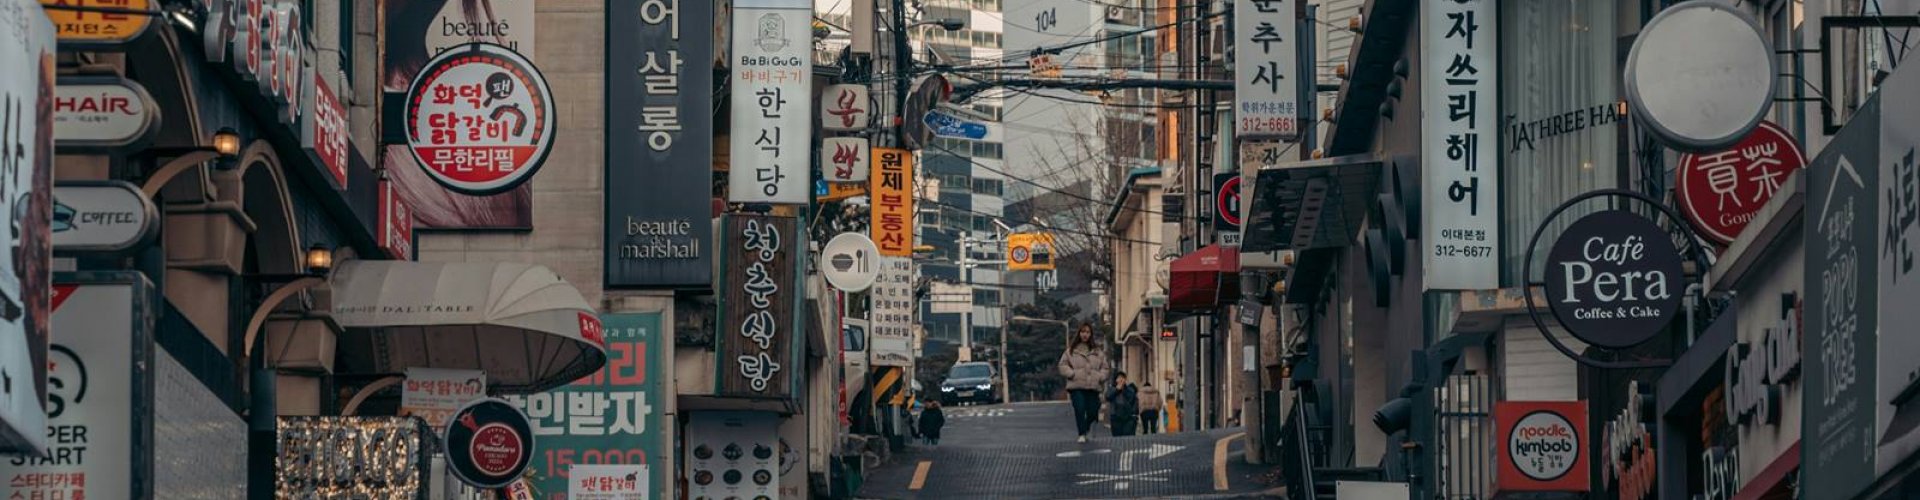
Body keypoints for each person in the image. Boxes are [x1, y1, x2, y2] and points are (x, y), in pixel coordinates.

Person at [1058, 323, 1110, 443]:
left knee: (1093, 411)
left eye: (1087, 332)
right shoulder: (1071, 351)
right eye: (1082, 332)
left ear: (1090, 334)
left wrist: (1100, 377)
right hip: (1076, 386)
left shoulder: (1097, 352)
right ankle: (1081, 433)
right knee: (1079, 408)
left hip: (1093, 386)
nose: (1085, 334)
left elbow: (1105, 367)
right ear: (1079, 333)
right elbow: (1062, 365)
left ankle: (1086, 427)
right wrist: (1071, 374)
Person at [1107, 372, 1140, 437]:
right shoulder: (1112, 389)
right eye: (1119, 378)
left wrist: (1134, 416)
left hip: (1128, 418)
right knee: (1117, 438)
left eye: (1123, 378)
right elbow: (1108, 397)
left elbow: (1134, 401)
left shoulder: (1130, 390)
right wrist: (1117, 390)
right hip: (1115, 417)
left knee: (1128, 438)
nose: (1121, 380)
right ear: (1116, 380)